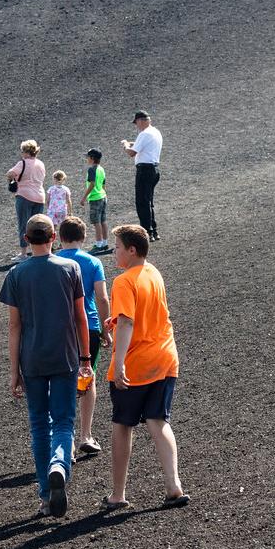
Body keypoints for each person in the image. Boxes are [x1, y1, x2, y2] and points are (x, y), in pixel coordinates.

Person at [0, 214, 89, 517]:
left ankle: (45, 494)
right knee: (63, 422)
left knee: (39, 425)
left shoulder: (16, 274)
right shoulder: (71, 268)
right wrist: (85, 358)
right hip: (65, 355)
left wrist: (14, 372)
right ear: (54, 237)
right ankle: (59, 466)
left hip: (32, 358)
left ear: (26, 239)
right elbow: (81, 318)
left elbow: (14, 326)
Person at [100, 224, 188, 512]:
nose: (115, 252)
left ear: (132, 250)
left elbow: (127, 322)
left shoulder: (124, 281)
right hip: (164, 357)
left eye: (118, 247)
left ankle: (117, 494)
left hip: (137, 363)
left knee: (122, 425)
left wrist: (120, 361)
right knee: (158, 421)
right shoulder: (153, 273)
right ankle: (173, 485)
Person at [56, 215, 110, 458]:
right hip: (89, 325)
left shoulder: (54, 261)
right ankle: (85, 435)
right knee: (88, 375)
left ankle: (63, 438)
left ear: (60, 236)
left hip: (60, 327)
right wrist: (106, 329)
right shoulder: (92, 262)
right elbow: (102, 297)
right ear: (84, 236)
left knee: (61, 378)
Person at [122, 111, 163, 241]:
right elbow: (142, 144)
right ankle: (153, 231)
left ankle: (147, 232)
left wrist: (125, 145)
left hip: (144, 170)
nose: (136, 125)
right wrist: (132, 142)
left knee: (142, 203)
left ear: (141, 120)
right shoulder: (155, 132)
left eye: (136, 122)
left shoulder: (144, 134)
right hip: (154, 169)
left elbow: (131, 153)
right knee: (148, 202)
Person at [6, 140, 47, 255]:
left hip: (24, 196)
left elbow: (10, 174)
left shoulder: (22, 163)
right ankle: (37, 251)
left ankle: (23, 253)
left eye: (22, 151)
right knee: (37, 225)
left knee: (24, 225)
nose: (21, 154)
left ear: (27, 152)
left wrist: (12, 180)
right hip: (39, 197)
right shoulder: (41, 164)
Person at [84, 148, 110, 253]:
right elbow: (103, 184)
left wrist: (84, 197)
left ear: (92, 158)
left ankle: (98, 244)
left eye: (88, 157)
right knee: (103, 221)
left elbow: (92, 184)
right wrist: (104, 195)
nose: (87, 159)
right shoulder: (101, 169)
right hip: (103, 196)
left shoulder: (91, 169)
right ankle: (105, 242)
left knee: (96, 222)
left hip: (95, 198)